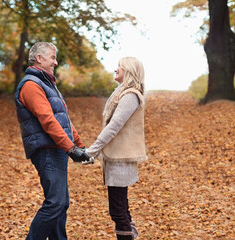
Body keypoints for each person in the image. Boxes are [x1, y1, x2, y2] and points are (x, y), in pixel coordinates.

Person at [15, 41, 89, 240]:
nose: (55, 62)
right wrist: (71, 149)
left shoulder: (47, 84)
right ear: (39, 58)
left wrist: (79, 145)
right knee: (55, 203)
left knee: (61, 204)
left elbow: (62, 118)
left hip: (56, 148)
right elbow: (48, 120)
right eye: (52, 57)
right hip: (46, 149)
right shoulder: (31, 85)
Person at [86, 57, 148, 240]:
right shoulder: (122, 92)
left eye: (119, 66)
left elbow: (113, 126)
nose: (115, 69)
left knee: (118, 211)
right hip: (116, 158)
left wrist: (91, 151)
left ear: (128, 70)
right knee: (120, 209)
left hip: (121, 159)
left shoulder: (130, 95)